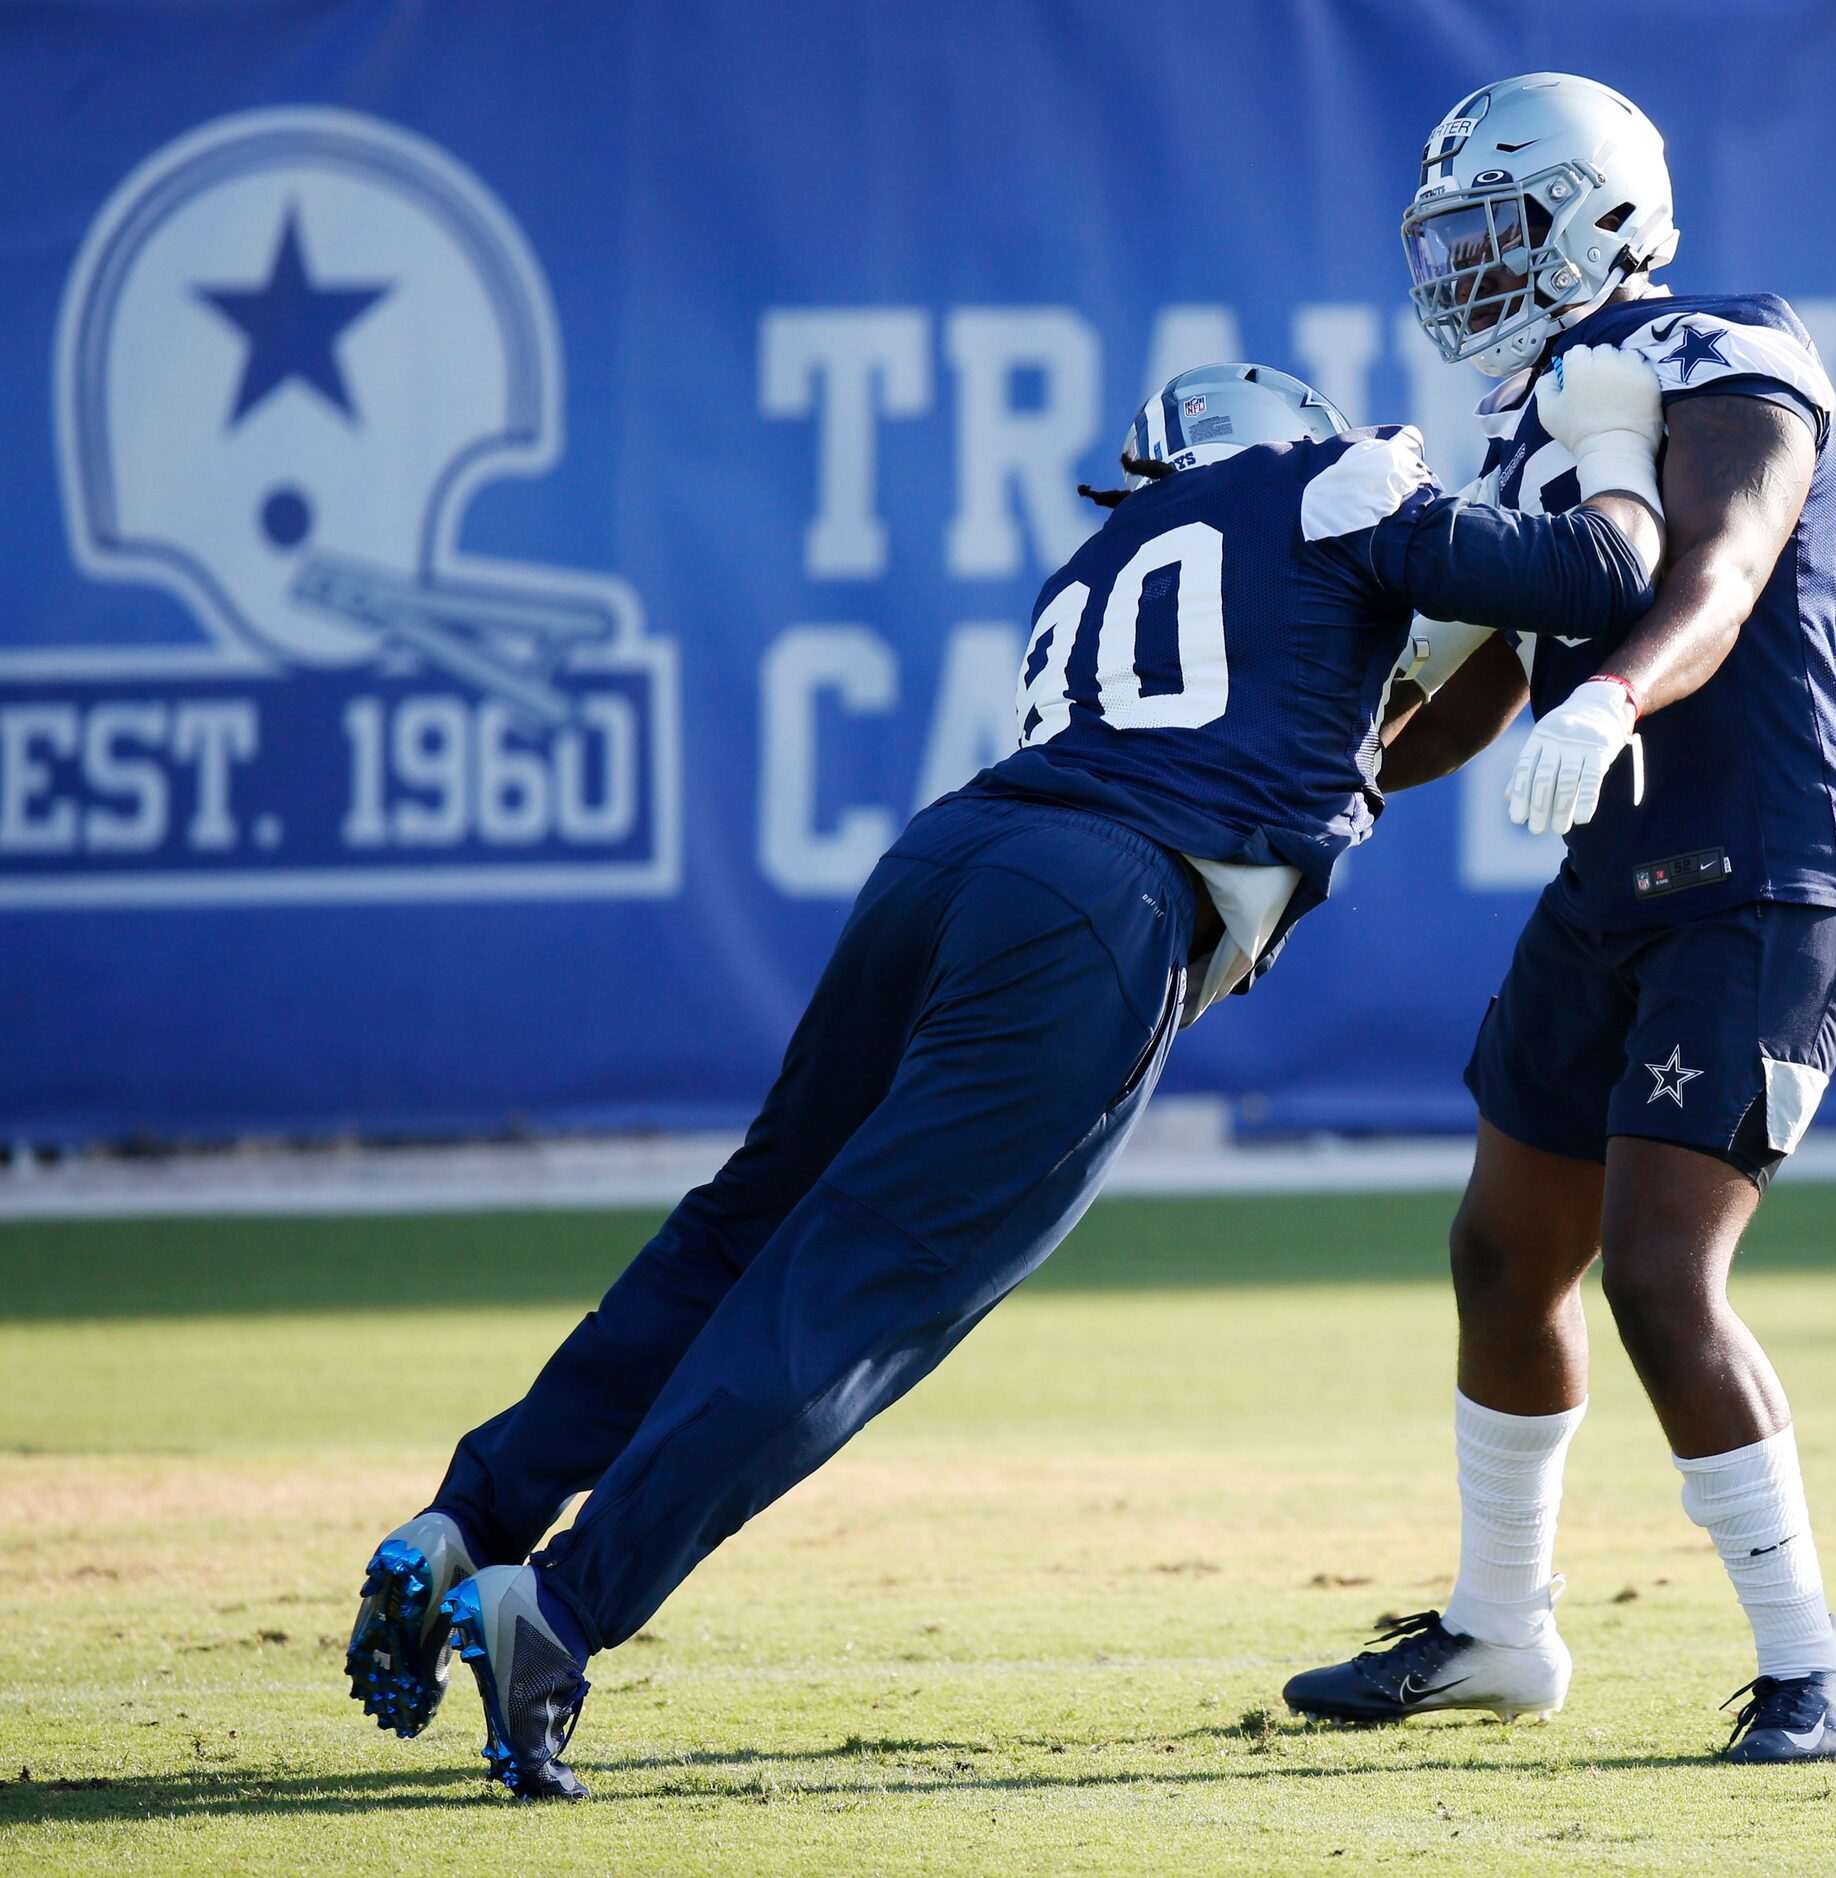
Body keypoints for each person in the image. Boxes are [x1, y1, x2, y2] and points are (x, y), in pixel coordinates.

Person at [339, 354, 1673, 1798]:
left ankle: (467, 1520)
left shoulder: (1106, 565)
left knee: (739, 1233)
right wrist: (1612, 440)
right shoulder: (1338, 476)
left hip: (949, 860)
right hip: (1104, 906)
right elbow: (1595, 571)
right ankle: (562, 1609)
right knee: (855, 1294)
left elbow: (1339, 716)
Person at [1281, 73, 1836, 1763]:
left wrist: (1614, 694)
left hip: (1771, 869)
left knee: (1654, 1269)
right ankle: (1500, 1630)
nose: (1465, 266)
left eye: (1493, 228)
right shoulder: (1541, 410)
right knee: (1503, 1249)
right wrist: (1309, 794)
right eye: (1452, 236)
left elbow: (1722, 564)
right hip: (1620, 877)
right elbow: (1488, 682)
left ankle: (1813, 1672)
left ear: (1597, 217)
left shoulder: (1723, 340)